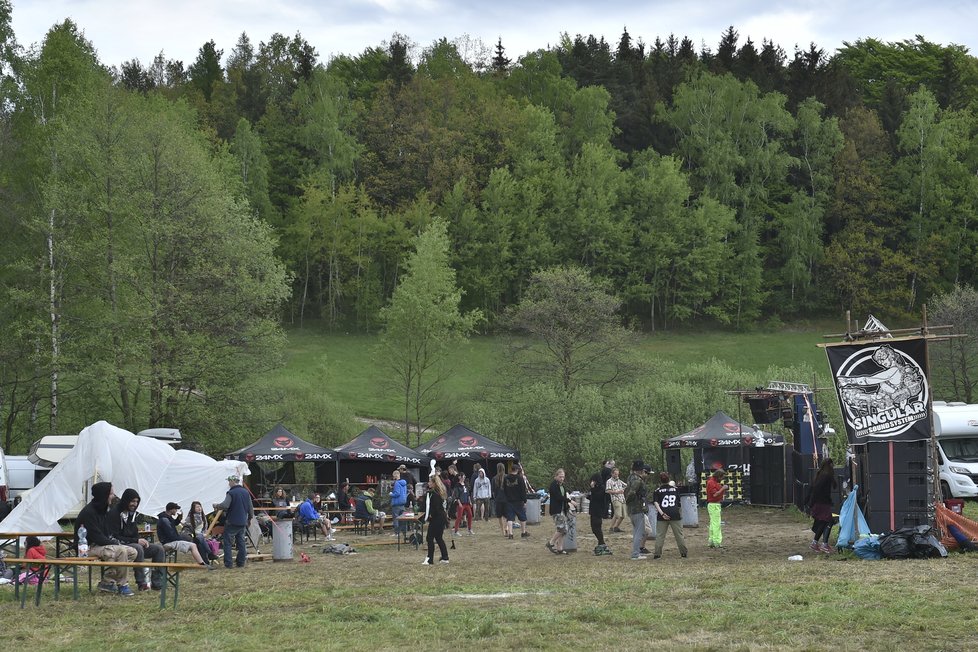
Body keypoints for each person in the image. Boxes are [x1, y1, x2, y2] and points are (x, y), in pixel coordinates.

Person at [75, 481, 138, 596]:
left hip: (101, 545)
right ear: (103, 495)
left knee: (132, 552)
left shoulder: (103, 510)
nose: (113, 496)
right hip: (87, 548)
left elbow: (107, 533)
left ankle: (108, 581)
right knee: (120, 550)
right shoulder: (89, 512)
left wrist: (114, 542)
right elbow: (97, 537)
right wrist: (115, 543)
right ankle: (123, 585)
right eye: (111, 494)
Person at [108, 487, 166, 591]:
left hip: (132, 543)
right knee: (138, 548)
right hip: (119, 545)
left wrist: (140, 540)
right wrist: (136, 541)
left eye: (136, 501)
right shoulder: (115, 513)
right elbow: (114, 536)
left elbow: (134, 534)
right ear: (126, 500)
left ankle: (157, 582)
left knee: (159, 549)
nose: (134, 504)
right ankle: (141, 583)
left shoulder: (133, 514)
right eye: (132, 501)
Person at [213, 475, 254, 568]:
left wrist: (216, 505)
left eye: (229, 481)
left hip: (232, 522)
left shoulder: (231, 493)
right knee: (241, 542)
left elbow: (225, 505)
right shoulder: (246, 492)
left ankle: (228, 563)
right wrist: (249, 519)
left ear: (232, 482)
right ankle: (241, 562)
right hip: (242, 522)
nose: (228, 483)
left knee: (227, 543)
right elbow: (250, 508)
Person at [157, 502, 213, 568]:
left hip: (171, 540)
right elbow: (171, 535)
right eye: (175, 509)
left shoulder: (167, 517)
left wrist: (179, 518)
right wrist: (181, 539)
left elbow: (174, 524)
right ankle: (203, 564)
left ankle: (205, 561)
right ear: (171, 509)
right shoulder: (165, 520)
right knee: (193, 545)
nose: (176, 511)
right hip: (169, 542)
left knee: (197, 541)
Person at [652, 472, 688, 559]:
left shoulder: (657, 491)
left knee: (660, 535)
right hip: (675, 513)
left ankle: (657, 553)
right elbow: (678, 503)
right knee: (679, 534)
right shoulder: (675, 489)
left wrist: (662, 513)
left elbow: (656, 503)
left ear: (660, 481)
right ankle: (683, 552)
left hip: (662, 514)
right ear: (669, 480)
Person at [807, 459, 837, 553]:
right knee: (828, 521)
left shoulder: (821, 475)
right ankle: (823, 544)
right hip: (821, 503)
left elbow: (814, 488)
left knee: (823, 522)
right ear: (830, 465)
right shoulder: (826, 476)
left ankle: (816, 543)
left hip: (820, 502)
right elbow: (817, 489)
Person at [422, 472, 450, 565]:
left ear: (434, 483)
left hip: (437, 518)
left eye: (430, 482)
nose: (428, 483)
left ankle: (430, 559)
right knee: (438, 538)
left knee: (429, 538)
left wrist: (430, 515)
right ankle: (445, 557)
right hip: (442, 517)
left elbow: (435, 508)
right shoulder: (440, 492)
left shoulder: (434, 494)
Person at [625, 461, 650, 560]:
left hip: (632, 509)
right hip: (637, 508)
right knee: (639, 532)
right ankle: (635, 554)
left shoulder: (630, 477)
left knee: (637, 531)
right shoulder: (638, 480)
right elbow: (631, 493)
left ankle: (636, 552)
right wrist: (628, 501)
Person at [546, 468, 573, 555]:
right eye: (560, 477)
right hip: (556, 510)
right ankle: (551, 543)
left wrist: (568, 507)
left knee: (563, 530)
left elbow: (564, 496)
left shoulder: (562, 486)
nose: (562, 478)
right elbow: (558, 497)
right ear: (556, 476)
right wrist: (570, 501)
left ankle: (560, 548)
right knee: (562, 528)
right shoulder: (553, 485)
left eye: (563, 477)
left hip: (562, 510)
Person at [588, 464, 611, 556]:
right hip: (594, 510)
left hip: (598, 511)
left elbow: (598, 497)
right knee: (594, 528)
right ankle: (600, 543)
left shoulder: (601, 487)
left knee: (596, 527)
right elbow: (594, 497)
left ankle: (602, 543)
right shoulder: (598, 487)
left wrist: (592, 489)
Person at [503, 464, 530, 539]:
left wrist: (506, 498)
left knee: (510, 518)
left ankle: (510, 534)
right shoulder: (520, 478)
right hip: (518, 501)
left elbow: (504, 489)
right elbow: (523, 491)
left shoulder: (506, 478)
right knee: (522, 517)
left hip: (509, 501)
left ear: (511, 469)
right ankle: (523, 532)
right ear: (517, 470)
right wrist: (524, 501)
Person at [706, 469, 728, 549]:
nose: (722, 479)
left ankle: (711, 541)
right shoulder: (712, 483)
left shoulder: (712, 482)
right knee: (716, 524)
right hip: (714, 505)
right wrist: (723, 488)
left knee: (713, 523)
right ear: (719, 476)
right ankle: (717, 542)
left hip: (713, 505)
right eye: (722, 477)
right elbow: (715, 495)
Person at [606, 466, 627, 533]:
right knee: (617, 514)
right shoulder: (609, 481)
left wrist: (623, 490)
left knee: (623, 515)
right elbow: (607, 491)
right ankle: (611, 528)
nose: (616, 475)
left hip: (622, 499)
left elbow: (626, 485)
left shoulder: (619, 481)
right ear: (612, 474)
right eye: (615, 474)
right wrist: (616, 492)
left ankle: (616, 527)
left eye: (617, 474)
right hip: (615, 498)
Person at [390, 470, 408, 537]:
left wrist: (391, 494)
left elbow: (397, 493)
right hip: (403, 502)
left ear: (395, 475)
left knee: (396, 519)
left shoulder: (397, 483)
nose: (393, 477)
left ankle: (396, 533)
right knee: (403, 519)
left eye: (393, 476)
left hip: (396, 503)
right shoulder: (404, 483)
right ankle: (404, 533)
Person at [493, 462, 509, 536]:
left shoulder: (494, 478)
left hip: (498, 499)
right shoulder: (507, 477)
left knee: (500, 516)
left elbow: (493, 491)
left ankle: (503, 530)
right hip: (506, 499)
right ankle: (506, 528)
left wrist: (495, 498)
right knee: (506, 515)